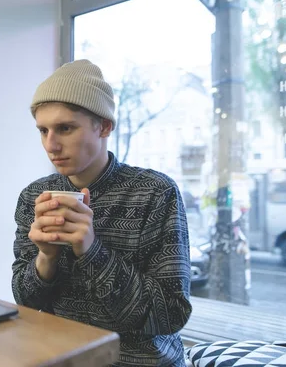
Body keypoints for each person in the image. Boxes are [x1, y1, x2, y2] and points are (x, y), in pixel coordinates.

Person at [11, 59, 192, 367]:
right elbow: (26, 301)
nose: (50, 145)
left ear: (105, 126)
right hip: (61, 357)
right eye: (43, 130)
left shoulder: (155, 192)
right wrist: (46, 258)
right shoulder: (34, 196)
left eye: (65, 128)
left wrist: (92, 251)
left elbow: (170, 315)